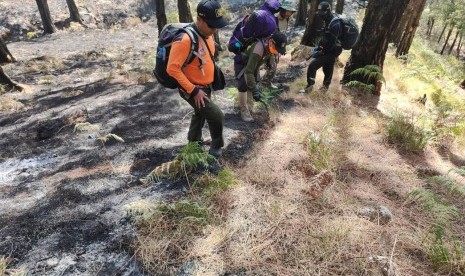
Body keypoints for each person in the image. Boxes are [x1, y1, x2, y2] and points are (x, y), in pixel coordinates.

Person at [166, 0, 228, 158]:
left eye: (216, 26)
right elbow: (172, 68)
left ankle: (193, 142)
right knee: (216, 115)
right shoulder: (184, 40)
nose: (214, 30)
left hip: (205, 86)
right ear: (199, 20)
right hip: (191, 89)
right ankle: (216, 148)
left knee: (200, 113)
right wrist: (194, 91)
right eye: (211, 26)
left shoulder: (206, 35)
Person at [234, 31, 287, 122]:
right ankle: (244, 111)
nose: (277, 51)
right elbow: (248, 71)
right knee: (243, 86)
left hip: (254, 64)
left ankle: (249, 107)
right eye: (276, 48)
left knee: (253, 83)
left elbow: (257, 65)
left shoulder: (269, 48)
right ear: (271, 42)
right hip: (242, 63)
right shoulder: (258, 50)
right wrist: (255, 90)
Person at [300, 1, 342, 93]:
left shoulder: (335, 24)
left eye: (323, 13)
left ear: (328, 11)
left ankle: (309, 88)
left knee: (312, 66)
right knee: (327, 67)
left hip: (333, 50)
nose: (321, 15)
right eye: (320, 13)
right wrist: (319, 48)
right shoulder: (328, 20)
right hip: (329, 48)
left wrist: (320, 52)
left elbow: (331, 42)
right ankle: (324, 89)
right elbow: (326, 38)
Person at [262, 0, 297, 89]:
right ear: (282, 10)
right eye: (288, 11)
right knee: (272, 67)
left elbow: (283, 33)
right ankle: (263, 84)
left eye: (291, 12)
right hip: (270, 46)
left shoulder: (287, 19)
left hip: (277, 46)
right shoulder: (274, 19)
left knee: (274, 66)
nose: (289, 14)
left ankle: (266, 83)